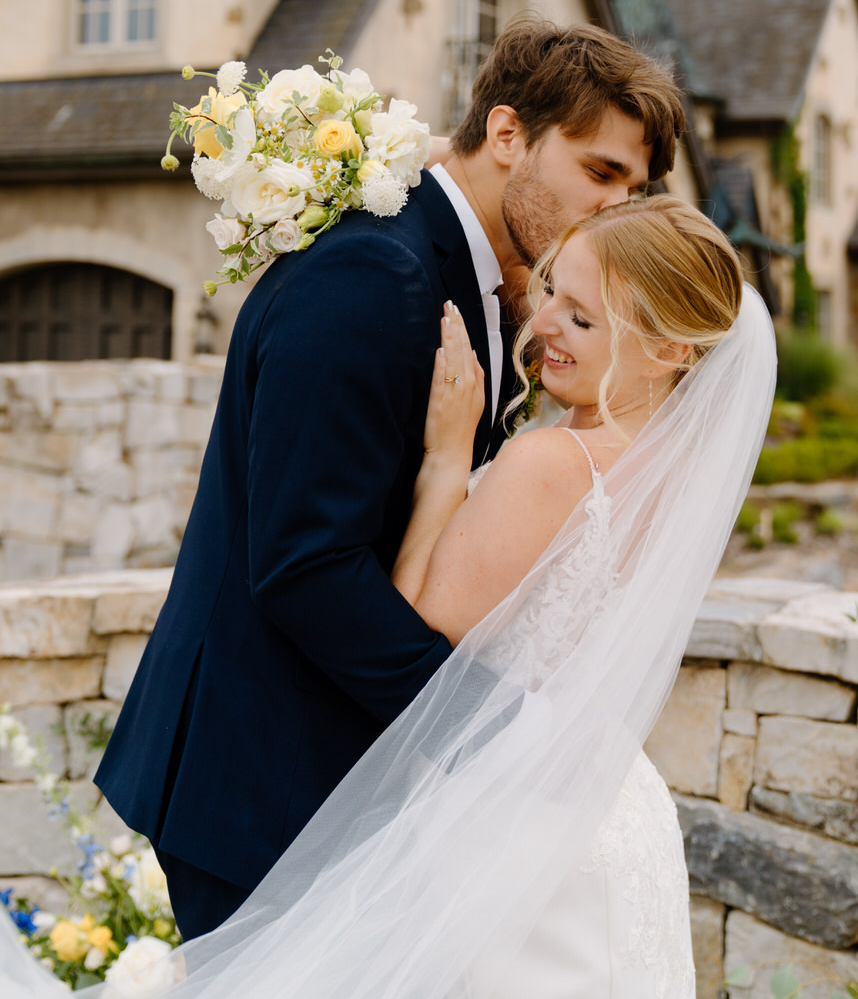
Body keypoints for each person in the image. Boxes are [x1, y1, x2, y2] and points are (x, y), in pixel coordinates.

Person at [0, 195, 775, 999]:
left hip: (509, 818)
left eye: (581, 319)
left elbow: (416, 620)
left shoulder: (553, 463)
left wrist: (445, 458)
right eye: (550, 292)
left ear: (669, 351)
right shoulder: (677, 476)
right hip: (612, 814)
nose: (542, 324)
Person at [92, 17, 685, 941]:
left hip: (342, 781)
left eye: (635, 188)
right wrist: (489, 732)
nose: (614, 208)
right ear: (506, 135)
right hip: (265, 782)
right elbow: (305, 564)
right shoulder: (379, 271)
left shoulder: (487, 282)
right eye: (600, 172)